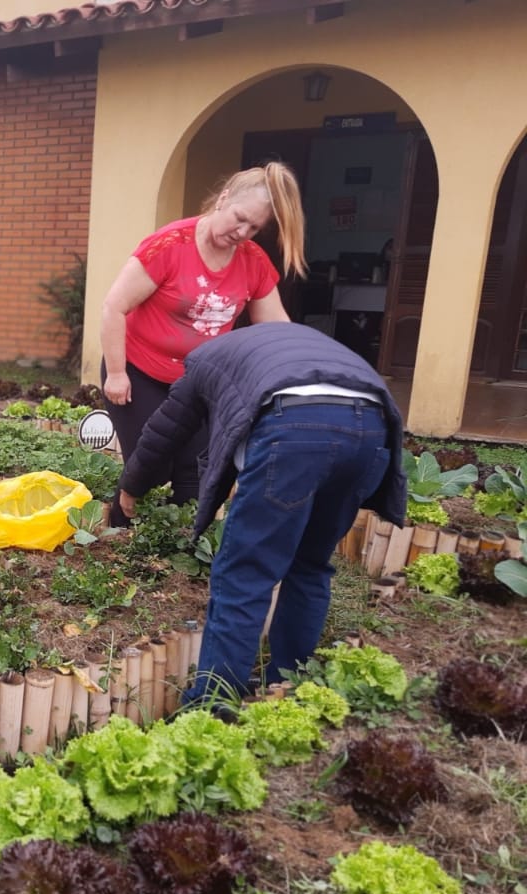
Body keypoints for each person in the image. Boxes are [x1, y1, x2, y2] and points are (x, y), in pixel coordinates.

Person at [116, 322, 406, 706]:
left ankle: (214, 701)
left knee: (244, 572)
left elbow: (165, 431)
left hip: (296, 426)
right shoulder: (288, 344)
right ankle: (288, 682)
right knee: (311, 564)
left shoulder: (205, 359)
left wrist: (131, 486)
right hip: (372, 425)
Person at [100, 162, 307, 526]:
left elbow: (277, 332)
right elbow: (114, 306)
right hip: (139, 370)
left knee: (195, 471)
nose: (242, 232)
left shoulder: (252, 263)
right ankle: (118, 530)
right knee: (153, 463)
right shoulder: (169, 245)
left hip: (198, 381)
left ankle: (183, 549)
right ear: (223, 198)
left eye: (254, 228)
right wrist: (116, 373)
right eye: (239, 218)